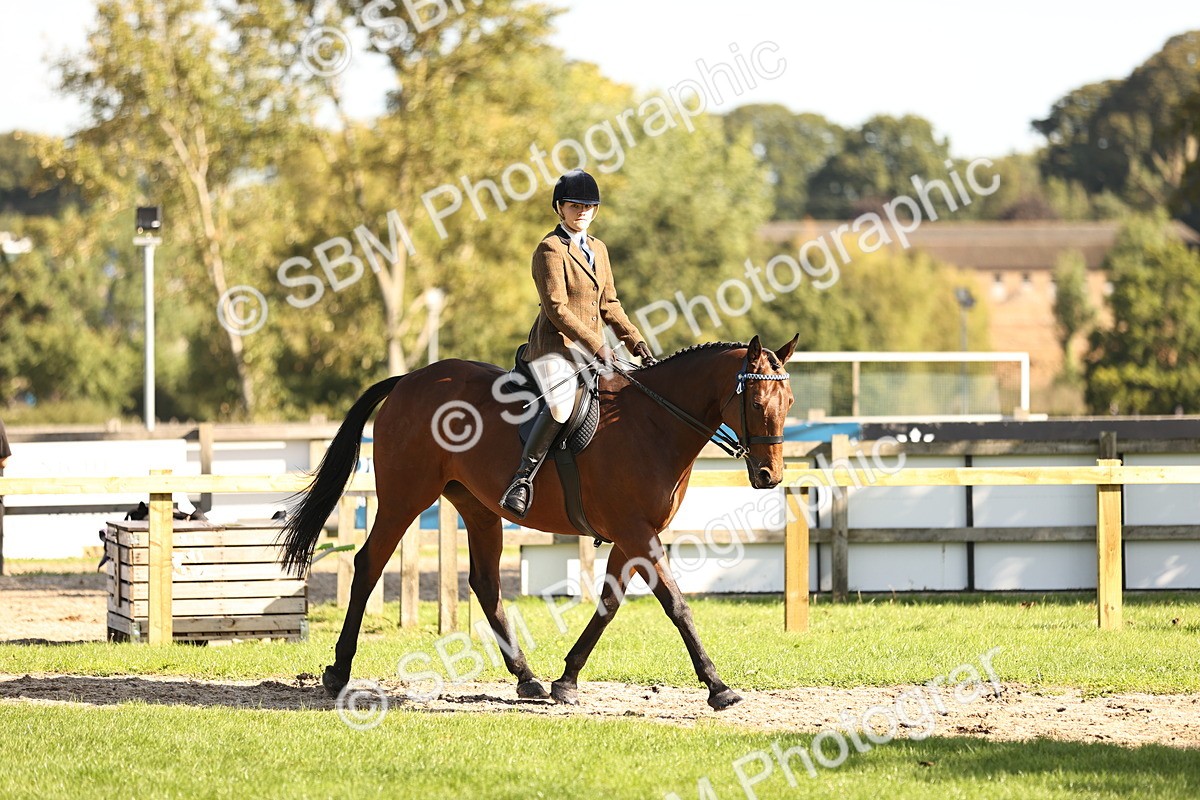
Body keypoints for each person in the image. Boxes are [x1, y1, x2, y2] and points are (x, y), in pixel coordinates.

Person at [499, 169, 656, 518]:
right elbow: (556, 308)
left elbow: (610, 303)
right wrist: (598, 344)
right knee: (560, 405)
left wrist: (636, 341)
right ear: (560, 208)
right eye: (574, 205)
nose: (582, 211)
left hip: (591, 349)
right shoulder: (549, 248)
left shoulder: (599, 249)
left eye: (589, 206)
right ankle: (522, 479)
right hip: (554, 349)